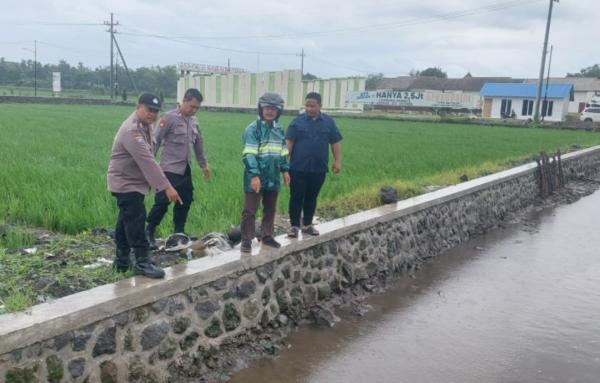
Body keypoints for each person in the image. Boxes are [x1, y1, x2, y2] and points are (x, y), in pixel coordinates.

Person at [107, 93, 182, 279]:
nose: (152, 114)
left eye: (156, 111)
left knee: (125, 220)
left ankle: (122, 260)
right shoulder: (132, 130)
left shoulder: (145, 126)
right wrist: (167, 187)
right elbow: (148, 161)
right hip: (125, 182)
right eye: (149, 109)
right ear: (138, 106)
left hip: (132, 182)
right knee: (137, 220)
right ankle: (142, 262)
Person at [145, 88, 210, 247]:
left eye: (197, 108)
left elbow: (198, 145)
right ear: (184, 101)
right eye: (192, 106)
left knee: (185, 201)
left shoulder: (194, 121)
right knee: (162, 202)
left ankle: (179, 231)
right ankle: (149, 231)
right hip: (169, 169)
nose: (194, 110)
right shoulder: (168, 118)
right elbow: (155, 140)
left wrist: (204, 165)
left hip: (185, 168)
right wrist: (148, 165)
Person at [285, 92, 342, 238]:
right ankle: (294, 226)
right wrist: (284, 164)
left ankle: (308, 225)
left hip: (318, 168)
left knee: (312, 196)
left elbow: (335, 142)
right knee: (296, 196)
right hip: (298, 167)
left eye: (313, 106)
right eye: (307, 106)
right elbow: (289, 143)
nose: (309, 109)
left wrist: (337, 161)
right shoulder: (297, 122)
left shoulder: (329, 122)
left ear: (320, 106)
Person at [240, 92, 290, 253]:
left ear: (278, 111)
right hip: (256, 176)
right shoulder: (252, 129)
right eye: (267, 108)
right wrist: (254, 175)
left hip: (273, 176)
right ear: (260, 109)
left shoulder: (279, 129)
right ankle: (246, 239)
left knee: (270, 208)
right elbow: (249, 154)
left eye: (274, 109)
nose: (270, 111)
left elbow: (282, 153)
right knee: (250, 209)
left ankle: (267, 236)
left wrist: (285, 171)